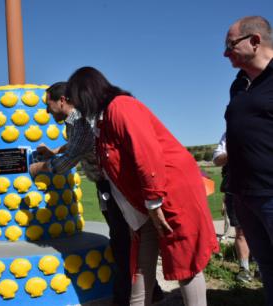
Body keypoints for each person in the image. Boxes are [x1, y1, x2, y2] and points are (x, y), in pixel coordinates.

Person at [66, 66, 219, 306]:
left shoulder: (121, 107)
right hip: (146, 203)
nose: (76, 108)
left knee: (184, 260)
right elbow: (117, 175)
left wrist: (154, 202)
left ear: (87, 93)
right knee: (140, 265)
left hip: (170, 195)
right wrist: (136, 216)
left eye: (77, 101)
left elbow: (146, 154)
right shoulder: (102, 124)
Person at [29, 82, 132, 305]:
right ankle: (145, 290)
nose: (48, 111)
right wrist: (55, 150)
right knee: (123, 238)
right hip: (107, 186)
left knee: (122, 240)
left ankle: (127, 296)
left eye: (49, 105)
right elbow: (76, 144)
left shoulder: (79, 120)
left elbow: (67, 162)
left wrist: (40, 168)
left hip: (114, 187)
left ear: (62, 101)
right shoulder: (75, 121)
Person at [224, 16, 273, 305]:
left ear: (254, 41)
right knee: (266, 266)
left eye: (230, 45)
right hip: (244, 195)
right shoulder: (238, 85)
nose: (225, 53)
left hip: (271, 193)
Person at [213, 132, 252, 283]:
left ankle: (263, 268)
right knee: (241, 232)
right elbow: (217, 159)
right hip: (234, 191)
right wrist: (237, 151)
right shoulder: (230, 133)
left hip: (263, 188)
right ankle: (245, 269)